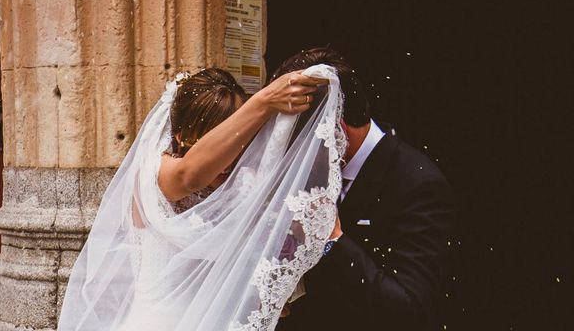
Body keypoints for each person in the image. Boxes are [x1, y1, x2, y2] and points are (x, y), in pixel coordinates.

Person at [58, 65, 341, 331]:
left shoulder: (244, 185)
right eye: (216, 148)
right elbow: (189, 175)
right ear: (180, 137)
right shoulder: (157, 175)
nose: (226, 164)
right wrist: (265, 101)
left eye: (237, 148)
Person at [274, 47, 456, 331]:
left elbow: (409, 309)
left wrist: (333, 239)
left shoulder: (419, 184)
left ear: (337, 129)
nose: (291, 153)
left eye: (298, 141)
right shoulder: (313, 171)